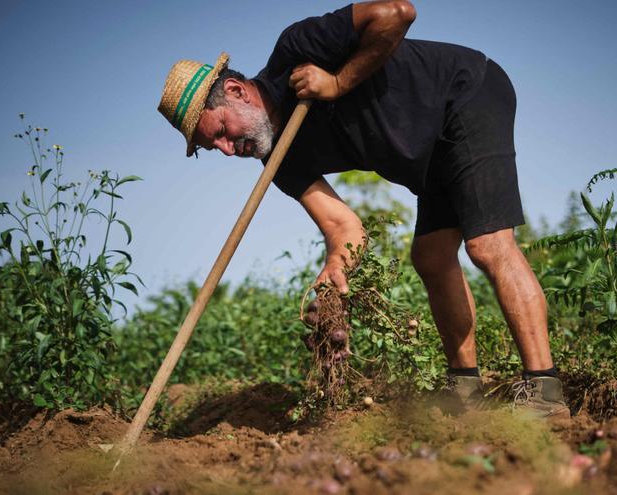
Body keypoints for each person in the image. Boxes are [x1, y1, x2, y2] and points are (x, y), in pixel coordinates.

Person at [157, 1, 569, 418]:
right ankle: (464, 387)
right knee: (431, 256)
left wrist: (336, 83)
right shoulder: (279, 159)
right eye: (216, 148)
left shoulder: (296, 50)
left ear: (236, 92)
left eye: (223, 132)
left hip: (464, 94)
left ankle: (545, 389)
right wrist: (331, 280)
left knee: (487, 245)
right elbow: (344, 228)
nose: (229, 150)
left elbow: (397, 12)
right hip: (428, 154)